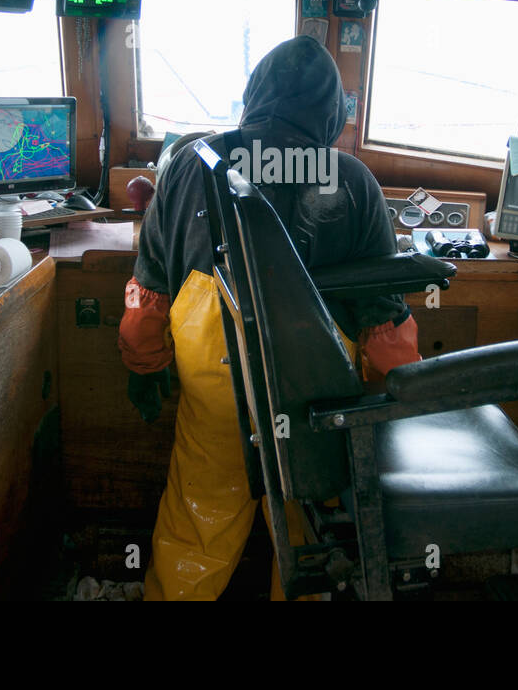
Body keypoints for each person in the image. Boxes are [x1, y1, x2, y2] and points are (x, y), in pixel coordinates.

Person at [118, 34, 420, 601]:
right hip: (317, 403)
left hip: (216, 388)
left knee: (196, 517)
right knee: (316, 529)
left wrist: (142, 365)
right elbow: (384, 331)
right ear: (331, 114)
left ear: (253, 94)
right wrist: (395, 404)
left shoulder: (190, 162)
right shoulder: (354, 181)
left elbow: (149, 291)